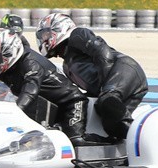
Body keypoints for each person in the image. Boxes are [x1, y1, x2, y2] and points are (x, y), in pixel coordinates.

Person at [35, 13, 148, 141]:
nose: (44, 39)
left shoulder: (77, 35)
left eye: (46, 34)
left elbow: (104, 54)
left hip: (124, 69)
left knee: (107, 101)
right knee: (110, 124)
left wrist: (105, 90)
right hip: (113, 81)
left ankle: (142, 139)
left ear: (59, 28)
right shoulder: (67, 67)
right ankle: (128, 142)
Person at [0, 27, 89, 147]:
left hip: (71, 104)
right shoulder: (9, 69)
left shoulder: (31, 62)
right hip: (48, 109)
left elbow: (30, 91)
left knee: (74, 141)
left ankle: (104, 145)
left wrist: (14, 112)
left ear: (8, 52)